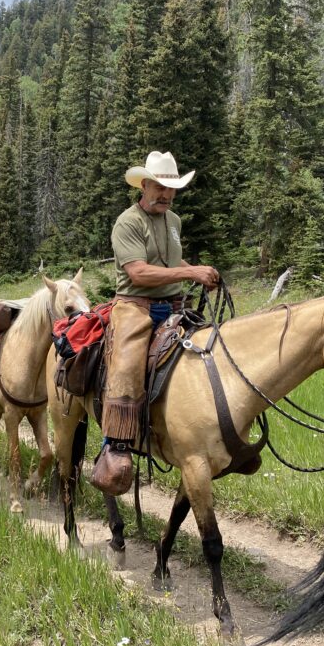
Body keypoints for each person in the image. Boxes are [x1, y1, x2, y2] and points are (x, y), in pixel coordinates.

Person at [100, 151, 220, 486]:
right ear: (145, 185)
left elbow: (173, 271)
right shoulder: (128, 222)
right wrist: (190, 271)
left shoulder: (174, 221)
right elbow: (137, 273)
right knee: (125, 365)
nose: (166, 195)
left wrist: (199, 276)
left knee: (211, 350)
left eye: (172, 189)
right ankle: (116, 444)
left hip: (174, 305)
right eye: (160, 187)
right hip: (134, 305)